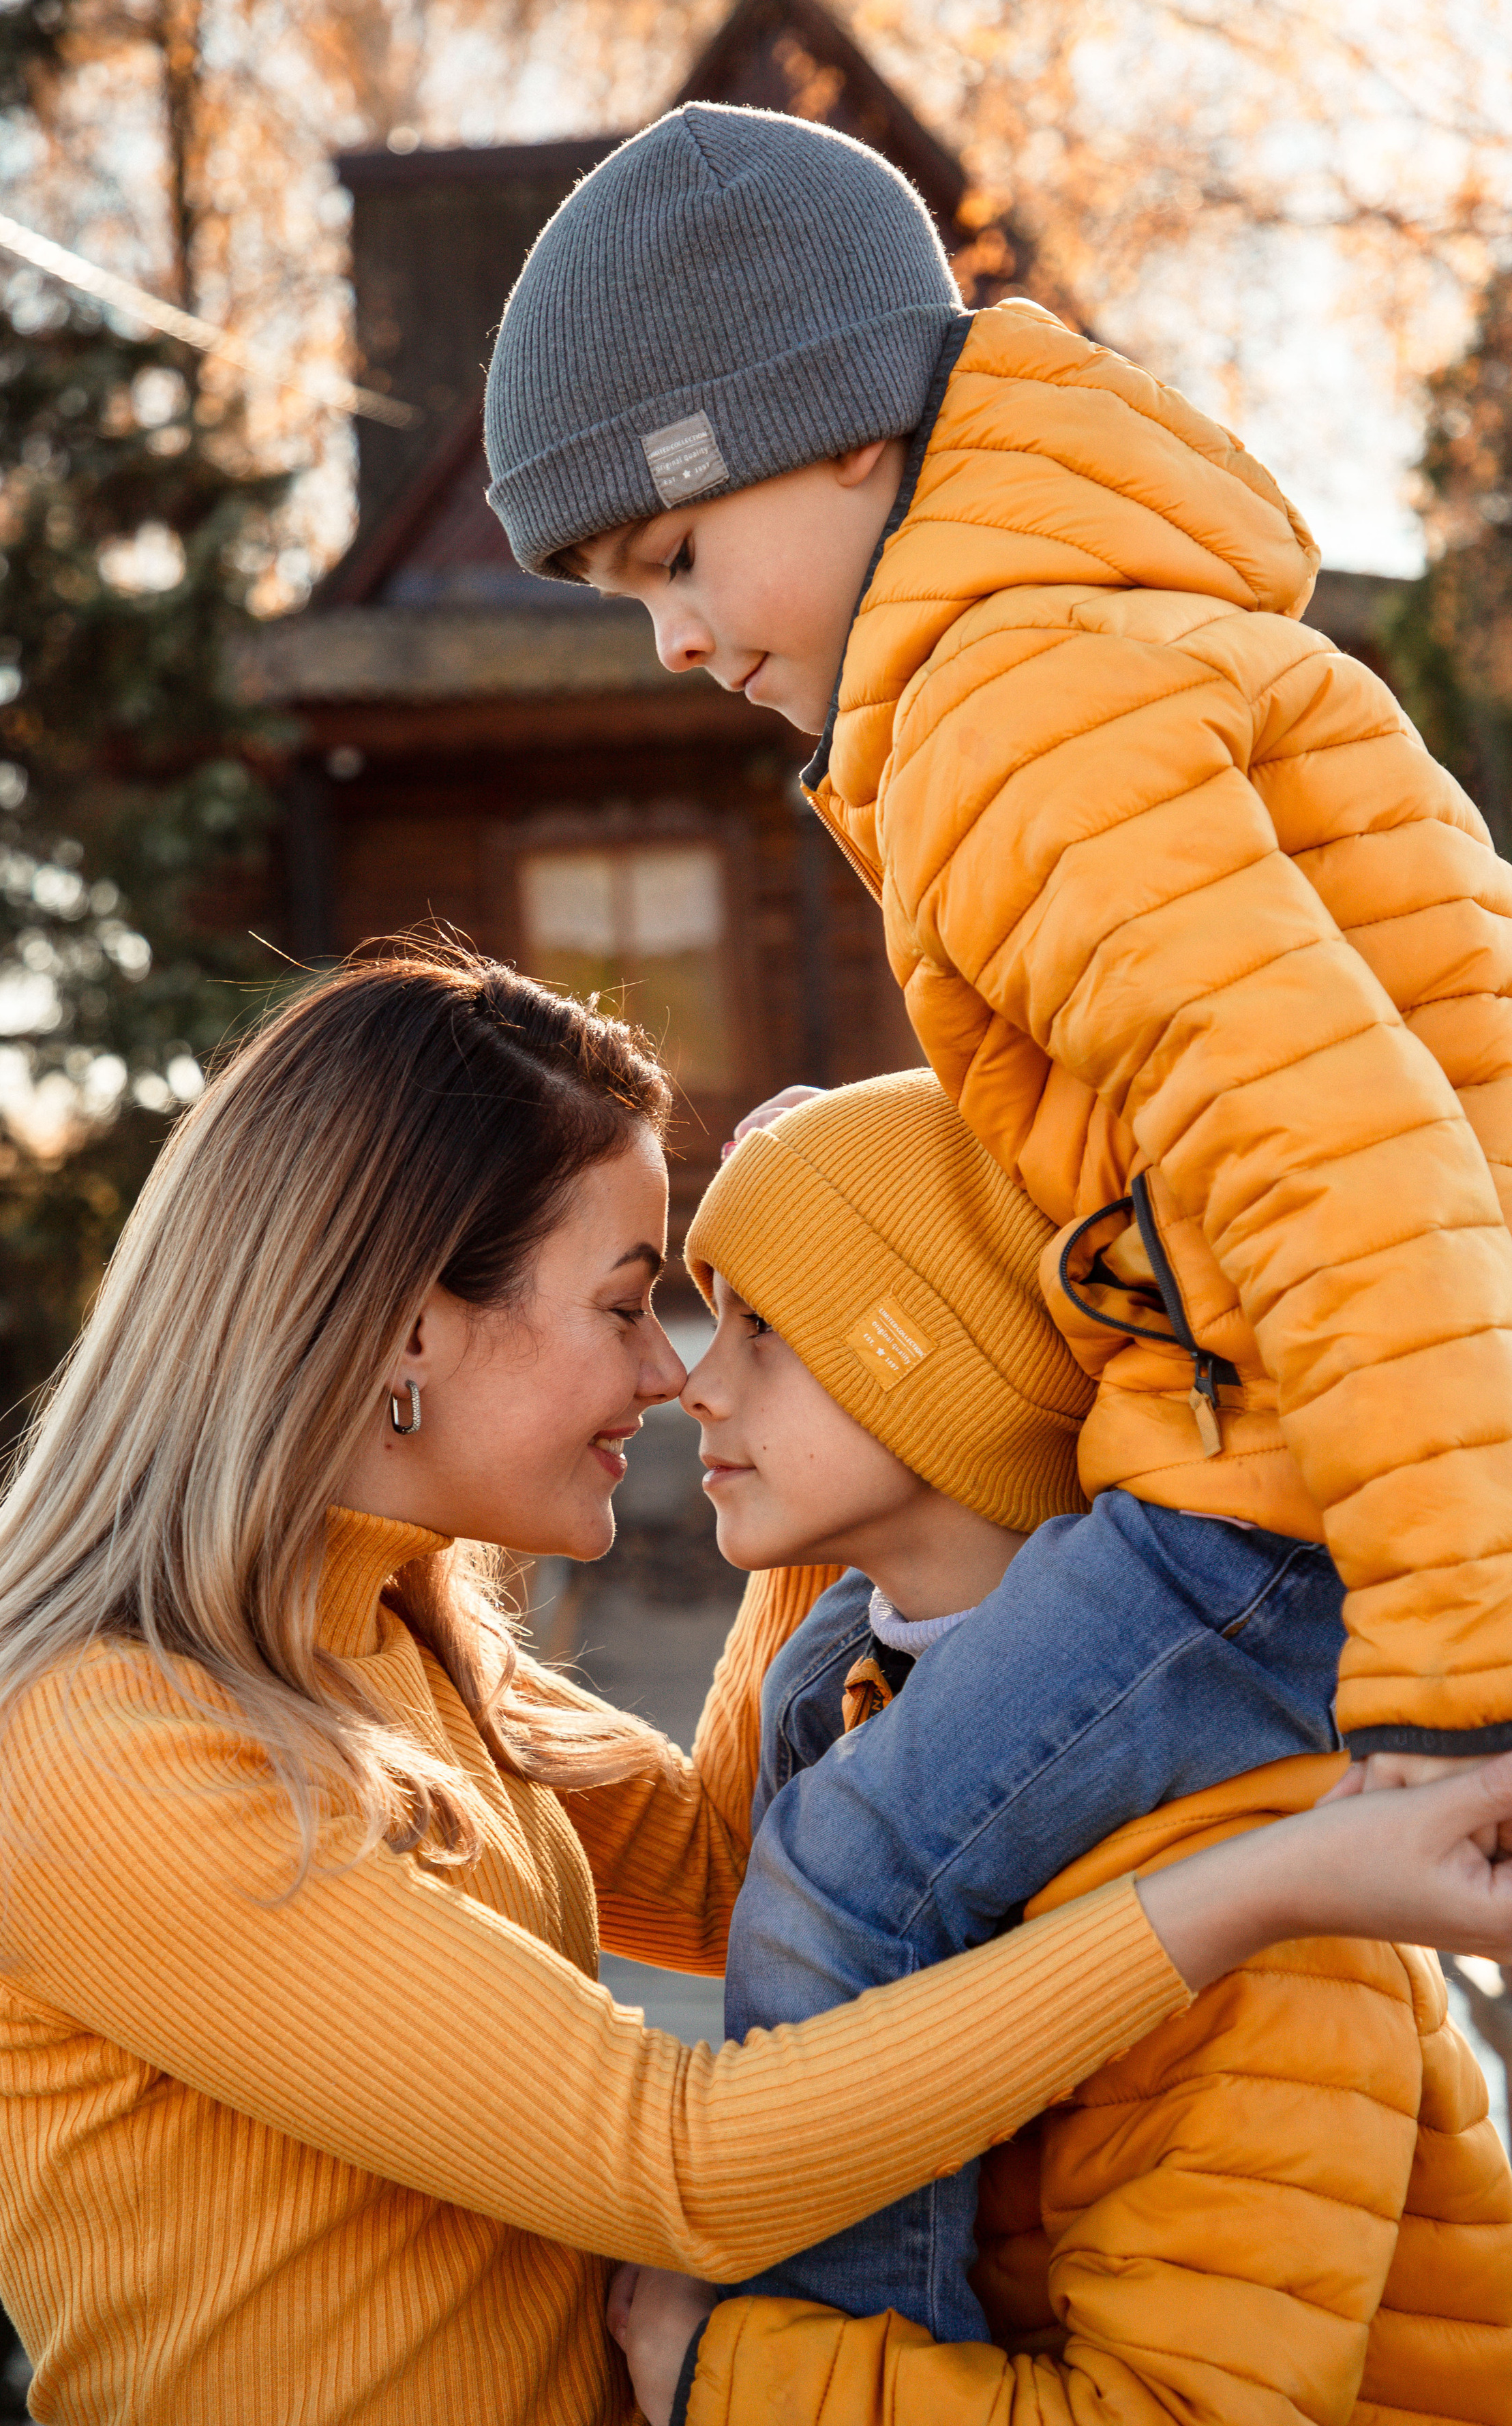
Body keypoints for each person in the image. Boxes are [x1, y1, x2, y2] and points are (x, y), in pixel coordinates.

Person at [0, 946, 1512, 2426]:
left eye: (705, 1322)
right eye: (634, 1307)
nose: (668, 1374)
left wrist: (847, 1466)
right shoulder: (100, 1754)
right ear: (408, 1327)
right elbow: (679, 2164)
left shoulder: (383, 1639)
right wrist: (1265, 1887)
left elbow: (724, 1865)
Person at [481, 102, 1512, 1780]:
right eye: (625, 598)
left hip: (1340, 1478)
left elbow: (1320, 1146)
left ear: (843, 434)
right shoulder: (1053, 653)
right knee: (825, 1705)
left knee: (845, 1864)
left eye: (676, 555)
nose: (670, 642)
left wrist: (1461, 1645)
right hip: (1343, 1425)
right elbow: (1159, 1107)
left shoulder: (1006, 717)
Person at [607, 1073, 1512, 2426]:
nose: (697, 1385)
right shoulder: (877, 1710)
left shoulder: (1241, 1884)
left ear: (932, 1371)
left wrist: (716, 2385)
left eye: (763, 1329)